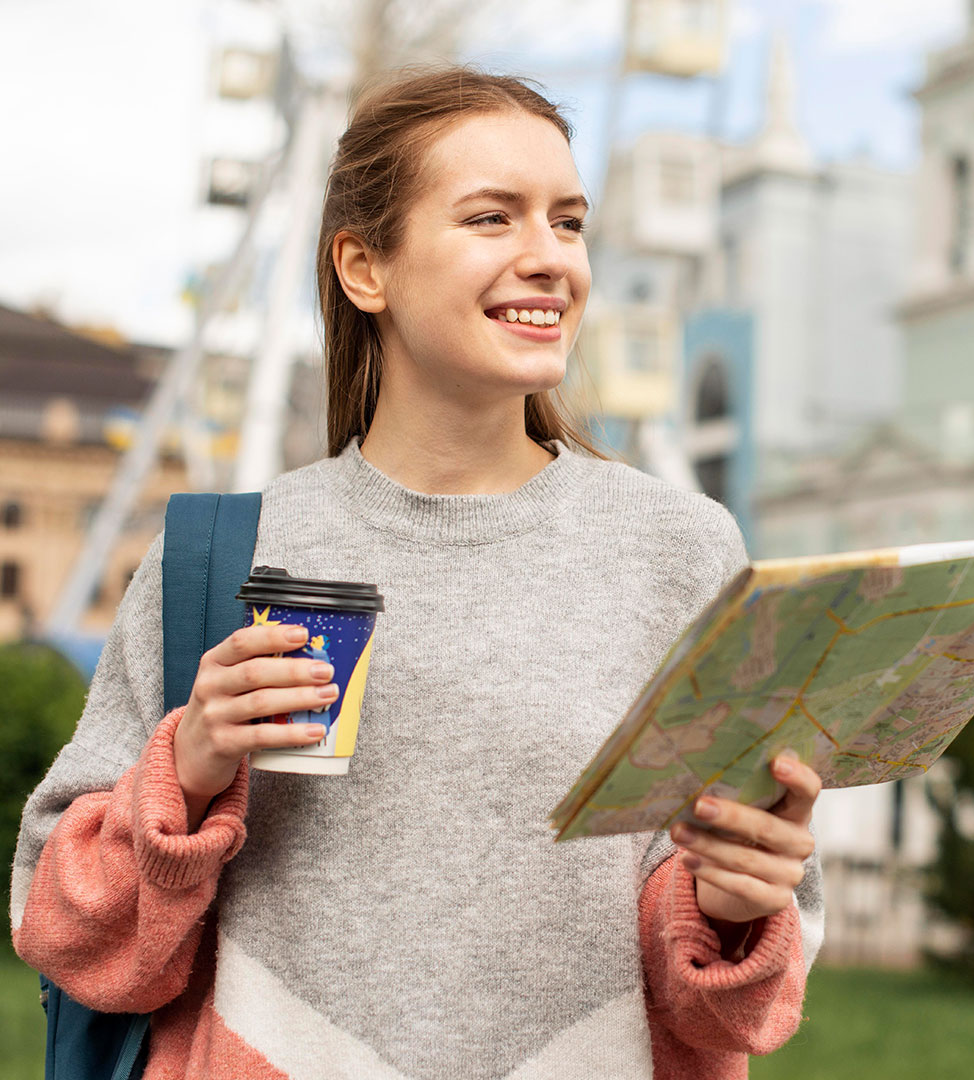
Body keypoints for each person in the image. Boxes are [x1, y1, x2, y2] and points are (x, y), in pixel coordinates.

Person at [11, 67, 825, 1080]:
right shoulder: (224, 555)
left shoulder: (684, 553)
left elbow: (726, 1009)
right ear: (365, 268)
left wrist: (737, 909)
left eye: (568, 224)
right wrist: (192, 769)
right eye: (493, 218)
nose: (550, 260)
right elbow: (65, 933)